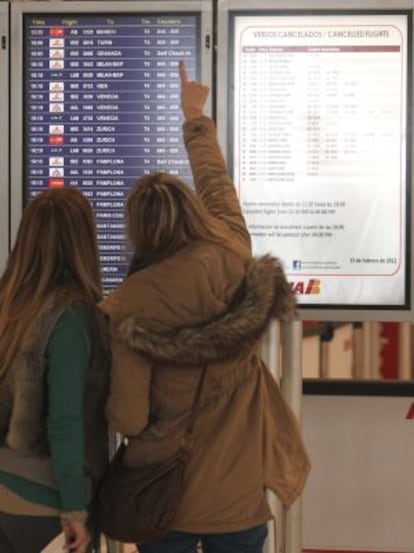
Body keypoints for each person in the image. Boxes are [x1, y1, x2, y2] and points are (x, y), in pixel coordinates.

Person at [99, 61, 310, 553]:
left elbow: (128, 420)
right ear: (192, 212)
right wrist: (194, 114)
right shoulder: (235, 252)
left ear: (138, 231)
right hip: (238, 493)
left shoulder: (129, 305)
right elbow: (215, 182)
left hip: (163, 497)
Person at [0, 188, 110, 553]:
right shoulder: (70, 316)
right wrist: (74, 508)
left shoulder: (9, 305)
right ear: (83, 243)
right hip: (45, 501)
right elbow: (65, 419)